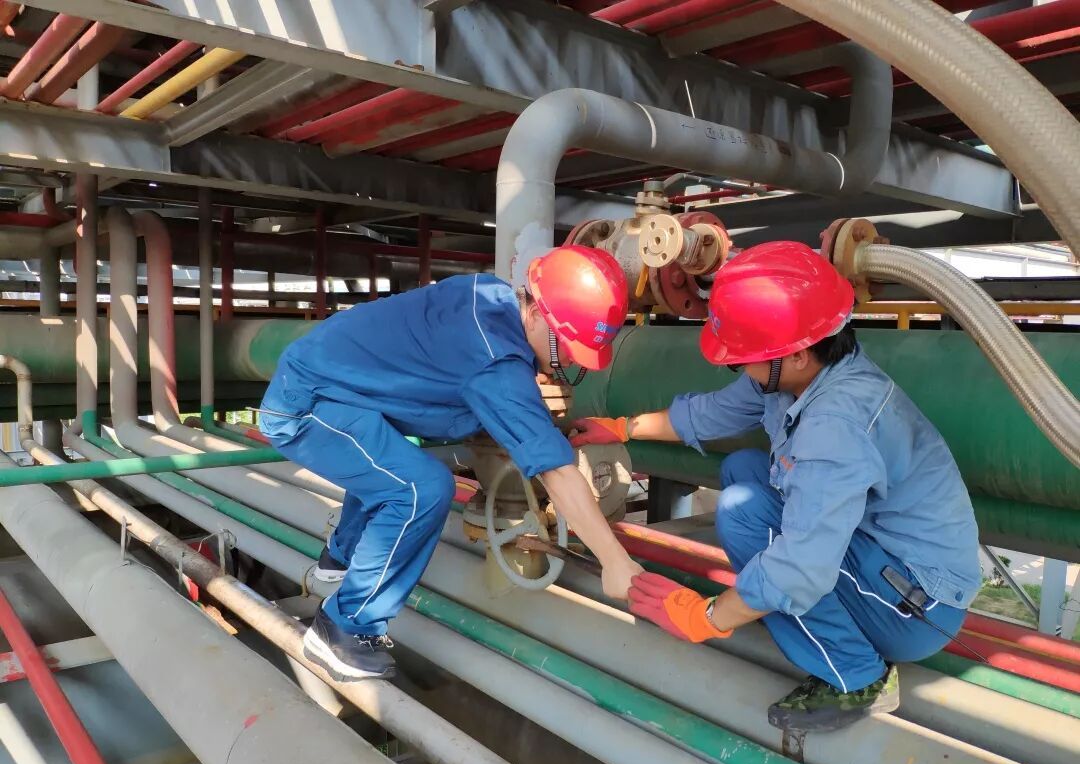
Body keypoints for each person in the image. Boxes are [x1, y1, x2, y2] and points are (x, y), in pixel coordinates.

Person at [571, 241, 980, 732]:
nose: (740, 367)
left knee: (744, 513)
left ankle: (857, 677)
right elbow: (713, 413)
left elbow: (801, 566)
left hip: (914, 608)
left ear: (798, 354)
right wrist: (623, 428)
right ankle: (807, 620)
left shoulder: (835, 425)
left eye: (743, 359)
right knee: (743, 469)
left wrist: (706, 617)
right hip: (887, 564)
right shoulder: (804, 370)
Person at [258, 245, 643, 682]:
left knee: (387, 465)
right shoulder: (496, 364)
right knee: (420, 489)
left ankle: (339, 560)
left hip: (335, 384)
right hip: (308, 406)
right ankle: (343, 628)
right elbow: (556, 472)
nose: (569, 361)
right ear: (536, 313)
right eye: (566, 347)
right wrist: (614, 561)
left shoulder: (491, 296)